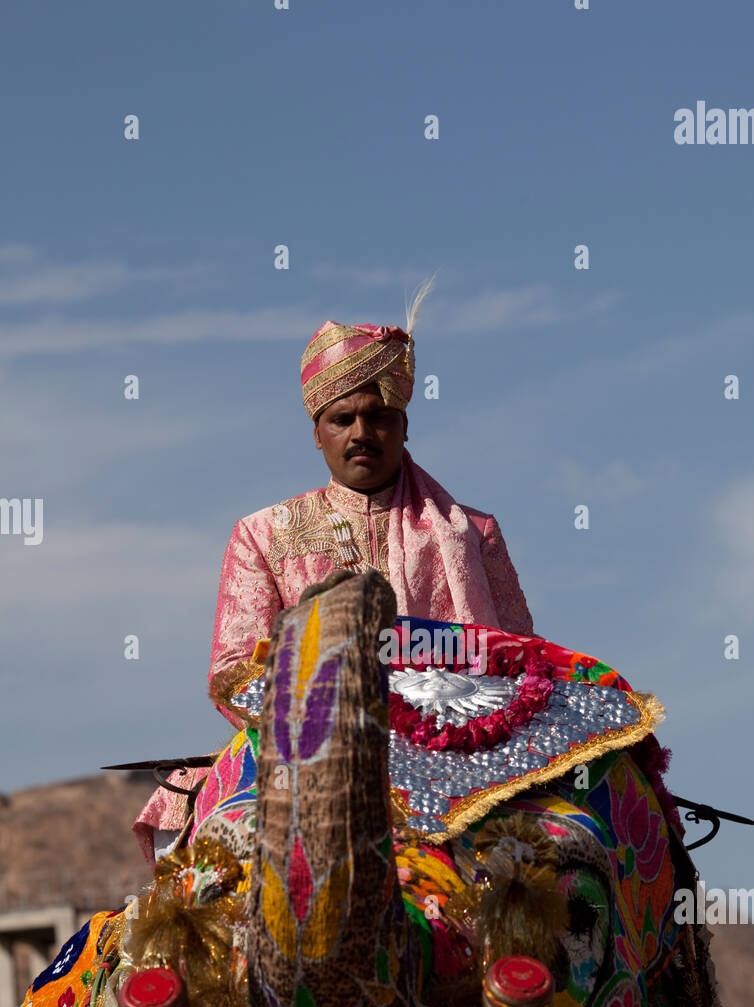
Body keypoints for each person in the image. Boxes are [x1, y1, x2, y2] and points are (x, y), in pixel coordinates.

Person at [132, 300, 533, 865]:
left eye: (379, 416)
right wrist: (331, 725)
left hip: (461, 752)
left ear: (405, 426)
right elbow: (234, 673)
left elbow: (520, 662)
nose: (361, 433)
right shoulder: (263, 535)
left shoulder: (473, 532)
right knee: (202, 844)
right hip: (304, 754)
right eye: (342, 419)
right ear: (317, 434)